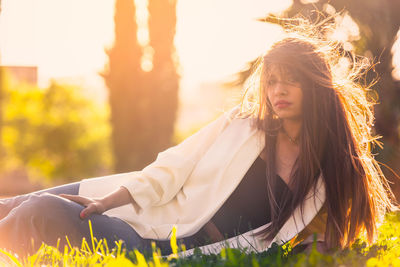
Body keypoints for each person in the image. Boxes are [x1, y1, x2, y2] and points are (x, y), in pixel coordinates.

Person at [0, 20, 396, 257]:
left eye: (292, 80)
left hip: (170, 244)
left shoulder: (333, 171)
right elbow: (176, 164)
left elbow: (343, 236)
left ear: (316, 85)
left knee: (42, 210)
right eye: (272, 81)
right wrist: (111, 200)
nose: (279, 91)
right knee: (14, 203)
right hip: (146, 204)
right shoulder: (243, 125)